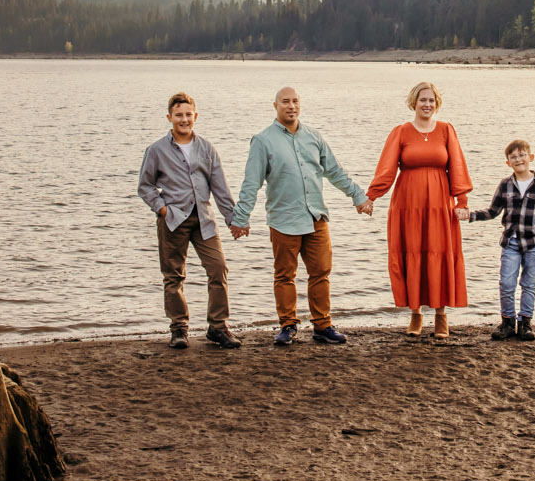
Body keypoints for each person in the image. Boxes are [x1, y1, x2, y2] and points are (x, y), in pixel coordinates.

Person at [229, 86, 370, 347]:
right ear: (276, 106)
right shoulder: (263, 141)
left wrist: (358, 196)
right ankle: (288, 325)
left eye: (295, 101)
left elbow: (335, 171)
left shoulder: (313, 136)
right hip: (284, 219)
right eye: (285, 102)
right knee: (285, 275)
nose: (291, 106)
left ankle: (322, 325)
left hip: (316, 217)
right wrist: (241, 218)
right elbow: (251, 183)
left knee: (321, 273)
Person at [137, 92, 242, 350]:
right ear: (169, 118)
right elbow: (145, 187)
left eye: (188, 115)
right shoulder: (156, 150)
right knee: (173, 276)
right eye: (178, 115)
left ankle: (218, 327)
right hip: (173, 220)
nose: (184, 120)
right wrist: (162, 209)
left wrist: (234, 221)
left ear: (195, 116)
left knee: (218, 269)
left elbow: (220, 189)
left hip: (204, 219)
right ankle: (179, 329)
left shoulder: (207, 148)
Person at [367, 81, 471, 341]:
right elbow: (387, 169)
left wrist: (461, 202)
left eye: (431, 101)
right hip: (408, 204)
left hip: (439, 204)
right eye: (423, 100)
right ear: (414, 102)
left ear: (437, 104)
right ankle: (415, 313)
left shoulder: (447, 130)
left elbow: (457, 167)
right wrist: (371, 197)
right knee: (412, 252)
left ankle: (440, 315)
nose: (427, 105)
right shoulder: (401, 132)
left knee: (439, 252)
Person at [460, 139, 535, 342]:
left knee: (529, 284)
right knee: (506, 283)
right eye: (513, 157)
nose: (518, 159)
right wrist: (470, 215)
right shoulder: (505, 185)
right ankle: (508, 322)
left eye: (522, 155)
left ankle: (525, 323)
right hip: (511, 242)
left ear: (531, 158)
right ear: (508, 163)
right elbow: (493, 211)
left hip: (534, 244)